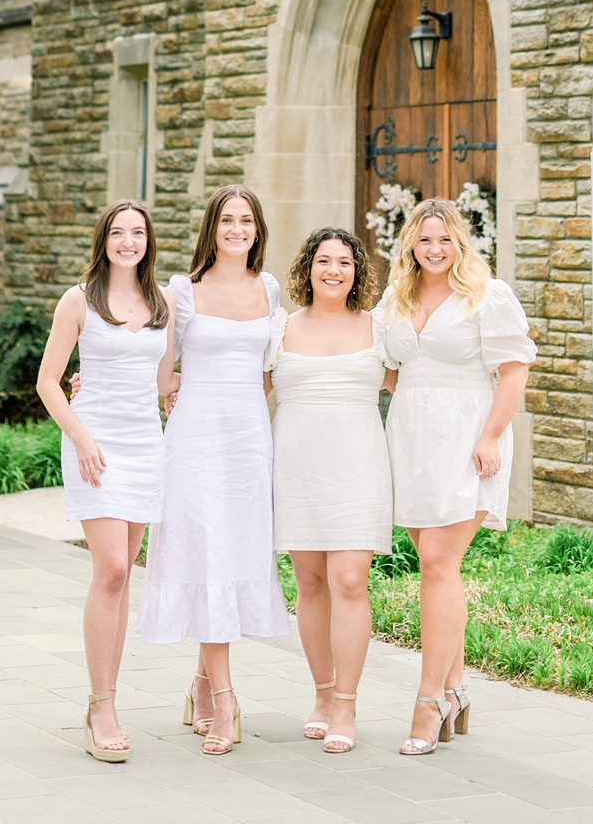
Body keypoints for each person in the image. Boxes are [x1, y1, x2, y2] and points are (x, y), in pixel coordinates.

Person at [375, 196, 535, 758]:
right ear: (410, 246)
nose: (435, 249)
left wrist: (489, 436)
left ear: (459, 242)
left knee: (440, 564)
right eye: (424, 240)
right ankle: (457, 688)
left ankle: (427, 702)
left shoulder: (487, 296)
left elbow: (513, 374)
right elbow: (389, 372)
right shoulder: (395, 299)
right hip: (412, 443)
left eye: (444, 239)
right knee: (434, 564)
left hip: (468, 441)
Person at [135, 185, 289, 758]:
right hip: (195, 440)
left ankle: (200, 684)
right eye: (227, 220)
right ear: (212, 228)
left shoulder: (270, 290)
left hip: (249, 440)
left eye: (246, 220)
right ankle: (225, 698)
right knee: (205, 552)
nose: (237, 229)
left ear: (257, 229)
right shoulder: (183, 291)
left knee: (232, 553)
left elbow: (275, 368)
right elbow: (159, 369)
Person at [34, 199, 179, 763]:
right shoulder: (79, 299)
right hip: (94, 445)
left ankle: (108, 698)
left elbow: (164, 380)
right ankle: (101, 706)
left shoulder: (161, 302)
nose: (128, 242)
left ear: (148, 241)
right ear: (104, 239)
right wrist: (83, 438)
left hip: (146, 445)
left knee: (124, 578)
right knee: (112, 569)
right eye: (118, 232)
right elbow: (49, 382)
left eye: (137, 233)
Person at [266, 223, 391, 756]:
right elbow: (239, 387)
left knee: (348, 579)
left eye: (344, 261)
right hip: (296, 466)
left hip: (358, 465)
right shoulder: (281, 329)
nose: (333, 270)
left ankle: (346, 701)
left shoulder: (380, 329)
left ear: (357, 270)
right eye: (323, 261)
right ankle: (320, 694)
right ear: (307, 269)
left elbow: (419, 380)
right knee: (311, 583)